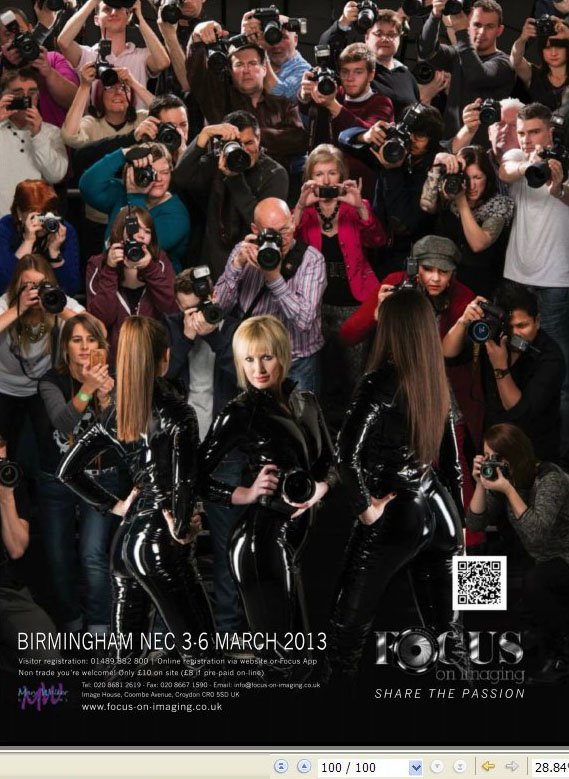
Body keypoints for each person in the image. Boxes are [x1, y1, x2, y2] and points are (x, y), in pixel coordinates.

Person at [57, 316, 216, 665]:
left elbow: (67, 471)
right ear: (165, 357)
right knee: (204, 657)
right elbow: (183, 484)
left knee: (126, 661)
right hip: (161, 540)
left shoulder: (116, 415)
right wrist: (182, 527)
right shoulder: (179, 414)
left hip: (126, 543)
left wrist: (115, 506)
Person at [328, 289, 464, 681]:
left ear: (392, 328)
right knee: (452, 637)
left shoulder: (379, 381)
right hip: (442, 510)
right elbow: (452, 465)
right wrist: (459, 529)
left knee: (345, 632)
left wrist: (364, 508)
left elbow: (345, 453)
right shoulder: (435, 378)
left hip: (397, 510)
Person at [199, 315, 336, 671]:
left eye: (266, 357)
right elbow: (193, 475)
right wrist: (244, 493)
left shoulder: (306, 401)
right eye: (248, 359)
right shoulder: (240, 411)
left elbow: (331, 466)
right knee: (281, 660)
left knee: (305, 658)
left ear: (283, 355)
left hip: (302, 538)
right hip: (261, 542)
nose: (257, 369)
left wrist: (319, 489)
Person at [164, 268, 243, 639]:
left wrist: (214, 336)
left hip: (224, 449)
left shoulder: (234, 328)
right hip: (180, 449)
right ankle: (173, 631)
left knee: (227, 543)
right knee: (170, 542)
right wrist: (185, 337)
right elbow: (163, 379)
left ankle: (228, 629)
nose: (192, 316)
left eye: (198, 308)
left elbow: (244, 378)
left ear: (212, 298)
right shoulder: (170, 327)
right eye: (185, 310)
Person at [467, 423, 569, 684]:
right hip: (534, 554)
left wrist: (508, 490)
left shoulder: (550, 479)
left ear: (515, 455)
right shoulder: (503, 477)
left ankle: (562, 652)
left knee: (536, 580)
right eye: (486, 456)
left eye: (496, 457)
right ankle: (478, 644)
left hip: (562, 555)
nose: (491, 463)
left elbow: (536, 533)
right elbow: (475, 524)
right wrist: (480, 484)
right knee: (475, 563)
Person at [293, 143, 385, 428]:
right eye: (319, 173)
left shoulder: (356, 205)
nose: (326, 180)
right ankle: (321, 430)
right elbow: (286, 244)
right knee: (321, 371)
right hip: (316, 303)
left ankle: (356, 428)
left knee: (355, 373)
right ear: (310, 178)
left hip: (355, 301)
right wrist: (300, 206)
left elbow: (378, 241)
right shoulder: (305, 211)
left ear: (341, 175)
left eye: (332, 172)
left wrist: (359, 208)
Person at [37, 314, 118, 634]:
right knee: (58, 557)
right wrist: (88, 388)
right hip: (57, 477)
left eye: (91, 340)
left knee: (93, 554)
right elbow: (63, 422)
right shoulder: (51, 381)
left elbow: (122, 435)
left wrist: (106, 399)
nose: (85, 347)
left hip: (99, 477)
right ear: (65, 348)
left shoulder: (113, 379)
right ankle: (71, 623)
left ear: (101, 346)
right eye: (77, 340)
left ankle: (99, 627)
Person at [499, 101, 569, 465]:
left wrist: (559, 188)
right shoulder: (518, 157)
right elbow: (507, 169)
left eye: (535, 132)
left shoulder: (565, 163)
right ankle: (515, 454)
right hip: (517, 279)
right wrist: (530, 164)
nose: (527, 139)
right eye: (523, 133)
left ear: (551, 132)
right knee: (513, 367)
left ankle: (558, 461)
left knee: (559, 375)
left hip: (556, 281)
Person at [214, 197, 327, 393]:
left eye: (284, 230)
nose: (279, 240)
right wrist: (236, 266)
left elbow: (305, 321)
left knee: (298, 414)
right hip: (253, 361)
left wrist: (274, 277)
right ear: (255, 230)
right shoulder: (243, 251)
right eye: (271, 234)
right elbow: (219, 309)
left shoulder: (312, 260)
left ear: (293, 222)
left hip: (296, 360)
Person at [444, 284, 565, 464]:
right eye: (510, 327)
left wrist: (500, 367)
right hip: (492, 447)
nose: (516, 334)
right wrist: (463, 321)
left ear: (538, 321)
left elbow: (519, 413)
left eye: (522, 325)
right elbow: (448, 355)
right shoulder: (495, 337)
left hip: (533, 454)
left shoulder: (550, 357)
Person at [171, 110, 289, 279]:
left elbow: (261, 224)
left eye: (249, 143)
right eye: (237, 145)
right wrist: (203, 136)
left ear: (259, 139)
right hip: (212, 260)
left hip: (252, 266)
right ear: (224, 145)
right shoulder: (216, 162)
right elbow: (180, 179)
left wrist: (235, 179)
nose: (244, 150)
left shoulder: (274, 174)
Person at [339, 102, 445, 276]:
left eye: (419, 136)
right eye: (409, 133)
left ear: (432, 139)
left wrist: (392, 170)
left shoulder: (436, 167)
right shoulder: (391, 149)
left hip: (415, 257)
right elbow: (343, 138)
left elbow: (404, 222)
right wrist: (365, 135)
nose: (411, 140)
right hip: (378, 249)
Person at [185, 32, 307, 175]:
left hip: (275, 181)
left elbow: (300, 140)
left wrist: (251, 135)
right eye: (239, 65)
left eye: (252, 63)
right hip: (228, 180)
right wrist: (197, 39)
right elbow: (197, 76)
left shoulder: (283, 104)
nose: (246, 70)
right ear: (230, 72)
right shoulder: (219, 101)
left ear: (264, 69)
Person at [0, 254, 84, 458]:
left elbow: (98, 330)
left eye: (40, 285)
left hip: (43, 387)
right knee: (4, 451)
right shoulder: (5, 302)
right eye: (27, 285)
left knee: (52, 450)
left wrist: (58, 309)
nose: (35, 292)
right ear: (16, 286)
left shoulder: (58, 301)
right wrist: (18, 308)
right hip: (4, 387)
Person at [297, 42, 394, 201]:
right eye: (345, 71)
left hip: (360, 191)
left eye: (358, 72)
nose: (350, 78)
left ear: (371, 75)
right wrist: (304, 96)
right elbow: (307, 117)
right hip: (322, 187)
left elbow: (368, 135)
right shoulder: (331, 91)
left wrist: (332, 105)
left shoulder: (382, 103)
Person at [78, 141, 190, 271]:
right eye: (150, 172)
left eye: (165, 172)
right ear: (134, 171)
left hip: (152, 282)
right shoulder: (123, 193)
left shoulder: (176, 214)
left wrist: (136, 196)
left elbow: (137, 248)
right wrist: (123, 155)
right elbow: (87, 186)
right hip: (110, 277)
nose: (159, 178)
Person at [420, 144, 514, 298]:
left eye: (477, 177)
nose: (471, 185)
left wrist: (461, 199)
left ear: (488, 177)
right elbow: (426, 206)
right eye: (466, 178)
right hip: (444, 283)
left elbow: (478, 244)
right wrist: (436, 164)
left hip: (481, 286)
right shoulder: (449, 193)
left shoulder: (500, 203)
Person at [0, 436, 61, 672]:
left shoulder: (12, 484)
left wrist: (6, 498)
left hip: (7, 590)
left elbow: (16, 549)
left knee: (47, 654)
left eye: (2, 461)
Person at [86, 205, 178, 360]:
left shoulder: (160, 262)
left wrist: (150, 269)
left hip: (151, 357)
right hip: (114, 359)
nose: (141, 236)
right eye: (136, 229)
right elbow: (100, 320)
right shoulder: (98, 264)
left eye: (147, 231)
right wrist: (110, 269)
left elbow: (172, 309)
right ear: (119, 232)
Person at [418, 0, 515, 145]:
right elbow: (426, 51)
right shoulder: (458, 55)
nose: (482, 32)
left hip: (482, 152)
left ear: (499, 30)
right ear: (469, 23)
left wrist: (462, 31)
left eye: (489, 26)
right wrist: (435, 15)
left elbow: (476, 76)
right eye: (477, 25)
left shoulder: (505, 63)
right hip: (451, 146)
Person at [57, 0, 170, 108]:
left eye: (119, 8)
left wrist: (139, 19)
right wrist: (92, 2)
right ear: (96, 20)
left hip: (138, 120)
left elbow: (163, 63)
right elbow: (63, 42)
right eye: (107, 9)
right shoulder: (87, 54)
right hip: (95, 121)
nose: (114, 12)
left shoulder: (141, 56)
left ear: (129, 17)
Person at [320, 7, 419, 115]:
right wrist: (343, 22)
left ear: (399, 39)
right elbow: (325, 50)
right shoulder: (353, 68)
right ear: (366, 38)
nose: (385, 39)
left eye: (391, 34)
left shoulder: (407, 76)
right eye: (379, 33)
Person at [0, 67, 68, 217]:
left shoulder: (51, 132)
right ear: (4, 97)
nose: (25, 98)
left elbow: (56, 175)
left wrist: (38, 134)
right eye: (17, 94)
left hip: (36, 220)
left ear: (37, 97)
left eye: (31, 93)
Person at [0, 6, 78, 127]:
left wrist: (49, 72)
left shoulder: (53, 59)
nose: (15, 38)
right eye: (7, 34)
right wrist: (7, 67)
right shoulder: (2, 65)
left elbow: (75, 102)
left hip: (53, 134)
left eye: (20, 31)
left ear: (30, 29)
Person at [0, 179, 81, 296]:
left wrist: (55, 253)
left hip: (50, 300)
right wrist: (28, 242)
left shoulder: (64, 230)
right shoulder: (5, 228)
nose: (41, 222)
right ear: (19, 213)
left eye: (47, 215)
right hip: (12, 300)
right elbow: (4, 286)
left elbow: (71, 289)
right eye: (36, 215)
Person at [240, 8, 311, 103]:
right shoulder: (254, 58)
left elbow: (282, 97)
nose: (276, 45)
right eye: (271, 36)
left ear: (295, 40)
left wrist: (260, 51)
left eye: (284, 37)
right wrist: (245, 40)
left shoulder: (304, 71)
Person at [510, 16, 569, 110]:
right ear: (541, 50)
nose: (553, 53)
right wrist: (522, 39)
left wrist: (566, 32)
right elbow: (515, 61)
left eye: (559, 46)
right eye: (547, 48)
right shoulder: (535, 76)